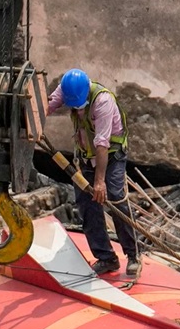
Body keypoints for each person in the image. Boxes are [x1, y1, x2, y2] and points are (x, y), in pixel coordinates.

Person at [47, 68, 140, 277]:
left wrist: (100, 182)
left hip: (111, 156)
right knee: (86, 204)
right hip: (86, 156)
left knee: (115, 198)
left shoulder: (103, 102)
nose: (76, 109)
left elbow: (102, 144)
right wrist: (30, 120)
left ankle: (133, 255)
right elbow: (46, 106)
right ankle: (106, 257)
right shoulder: (66, 88)